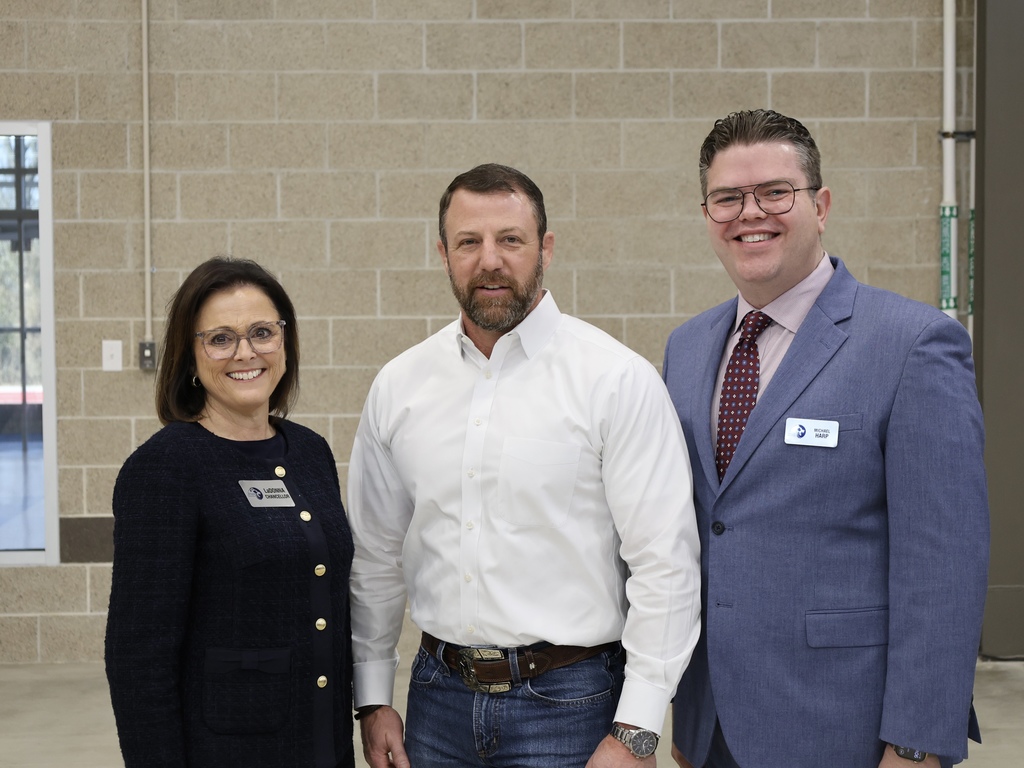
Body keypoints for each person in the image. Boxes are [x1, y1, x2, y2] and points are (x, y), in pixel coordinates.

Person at [663, 109, 989, 768]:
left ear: (822, 204)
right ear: (707, 215)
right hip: (712, 727)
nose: (749, 213)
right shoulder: (688, 347)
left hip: (845, 728)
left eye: (775, 192)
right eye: (728, 198)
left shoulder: (913, 345)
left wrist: (917, 743)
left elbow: (944, 569)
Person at [348, 163, 702, 768]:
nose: (490, 260)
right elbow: (374, 554)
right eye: (469, 242)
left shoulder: (615, 380)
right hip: (437, 702)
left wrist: (637, 727)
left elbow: (665, 563)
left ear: (546, 248)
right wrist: (373, 698)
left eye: (510, 240)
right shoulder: (401, 386)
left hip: (572, 705)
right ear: (443, 253)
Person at [105, 257, 355, 768]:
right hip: (227, 749)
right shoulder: (166, 466)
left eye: (262, 332)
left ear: (285, 342)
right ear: (189, 355)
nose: (246, 352)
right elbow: (139, 658)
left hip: (320, 739)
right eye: (220, 338)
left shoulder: (309, 452)